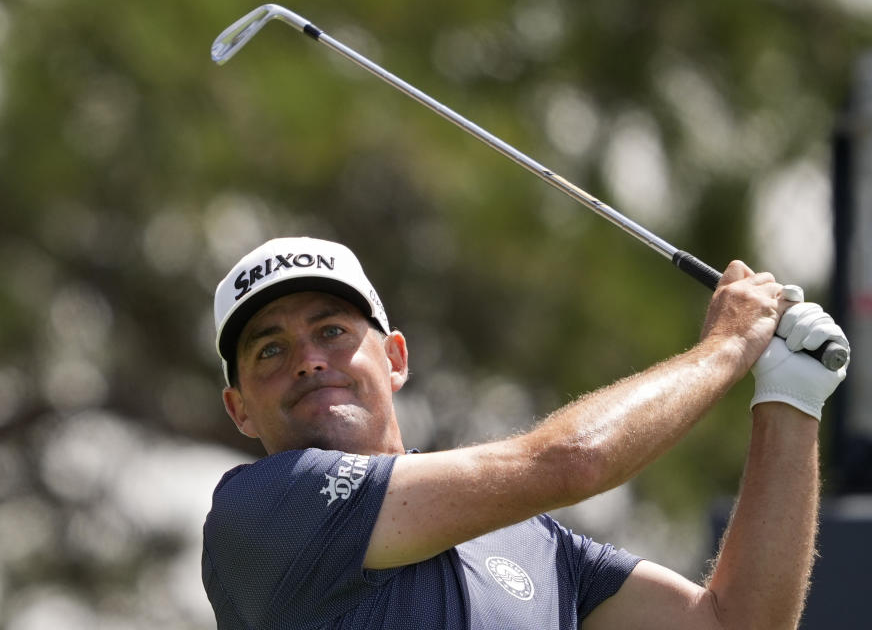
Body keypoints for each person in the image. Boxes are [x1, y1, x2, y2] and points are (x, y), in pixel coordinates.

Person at [201, 236, 849, 630]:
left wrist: (791, 401)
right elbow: (572, 462)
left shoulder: (529, 538)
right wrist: (730, 344)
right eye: (270, 351)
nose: (309, 360)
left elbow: (737, 624)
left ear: (396, 358)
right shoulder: (259, 511)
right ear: (240, 410)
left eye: (332, 331)